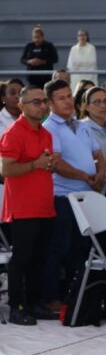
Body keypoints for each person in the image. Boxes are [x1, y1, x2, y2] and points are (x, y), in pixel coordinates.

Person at [41, 80, 106, 312]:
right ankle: (50, 298)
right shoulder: (49, 127)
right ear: (49, 103)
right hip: (63, 197)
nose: (68, 101)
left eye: (69, 96)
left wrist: (99, 174)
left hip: (86, 196)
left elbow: (98, 154)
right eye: (61, 97)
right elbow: (56, 163)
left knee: (81, 248)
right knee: (59, 248)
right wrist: (84, 176)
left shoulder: (82, 125)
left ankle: (76, 295)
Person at [0, 85, 57, 325]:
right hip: (23, 206)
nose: (42, 105)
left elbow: (44, 164)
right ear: (22, 106)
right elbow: (5, 169)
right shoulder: (14, 133)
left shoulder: (45, 133)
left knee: (40, 257)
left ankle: (34, 303)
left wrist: (48, 164)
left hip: (44, 204)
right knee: (22, 258)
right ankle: (16, 306)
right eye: (36, 102)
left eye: (44, 101)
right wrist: (35, 165)